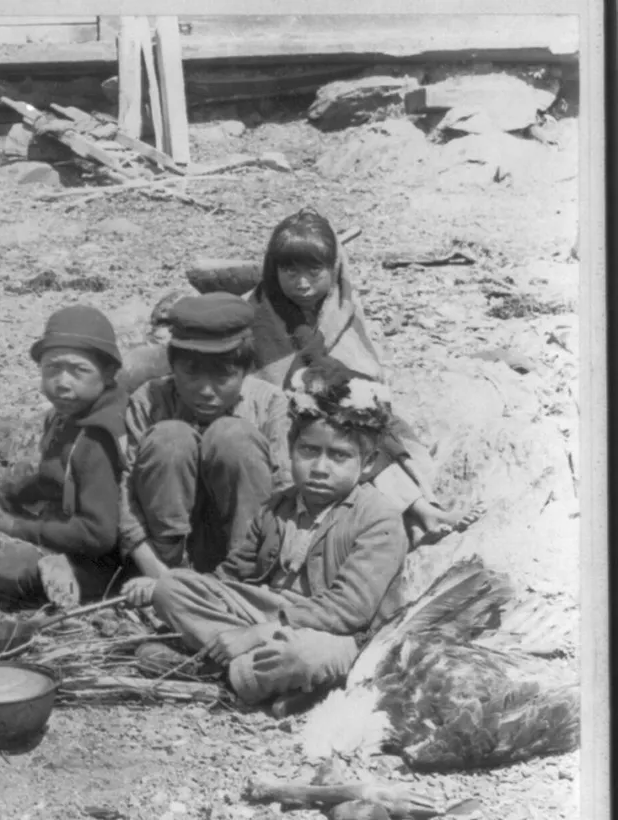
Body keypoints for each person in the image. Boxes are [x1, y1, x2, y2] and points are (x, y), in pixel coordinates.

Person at [148, 365, 410, 714]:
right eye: (308, 450)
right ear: (290, 448)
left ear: (367, 464)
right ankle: (252, 673)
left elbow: (349, 610)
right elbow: (232, 575)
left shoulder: (378, 517)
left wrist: (258, 634)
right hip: (266, 612)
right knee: (170, 586)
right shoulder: (278, 506)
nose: (319, 467)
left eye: (339, 456)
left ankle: (220, 674)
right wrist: (197, 595)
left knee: (302, 657)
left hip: (334, 632)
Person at [246, 208, 477, 545]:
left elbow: (365, 370)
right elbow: (260, 386)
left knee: (371, 431)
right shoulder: (258, 315)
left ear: (334, 268)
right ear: (273, 269)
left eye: (314, 270)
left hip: (343, 405)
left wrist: (346, 394)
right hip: (285, 419)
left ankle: (420, 507)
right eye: (289, 270)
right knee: (336, 448)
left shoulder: (342, 307)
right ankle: (410, 514)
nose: (302, 283)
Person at [116, 292, 291, 599]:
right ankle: (175, 582)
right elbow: (126, 497)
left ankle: (239, 587)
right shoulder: (150, 399)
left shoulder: (269, 403)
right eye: (191, 373)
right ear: (172, 365)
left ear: (246, 370)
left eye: (223, 376)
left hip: (246, 559)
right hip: (164, 564)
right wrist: (160, 576)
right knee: (170, 438)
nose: (206, 391)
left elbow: (285, 495)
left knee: (232, 436)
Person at [0, 305, 129, 606]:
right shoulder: (64, 416)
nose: (62, 382)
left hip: (100, 562)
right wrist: (6, 494)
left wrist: (17, 529)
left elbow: (97, 535)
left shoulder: (98, 436)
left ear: (108, 373)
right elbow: (52, 478)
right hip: (59, 532)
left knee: (9, 569)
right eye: (52, 369)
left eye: (79, 370)